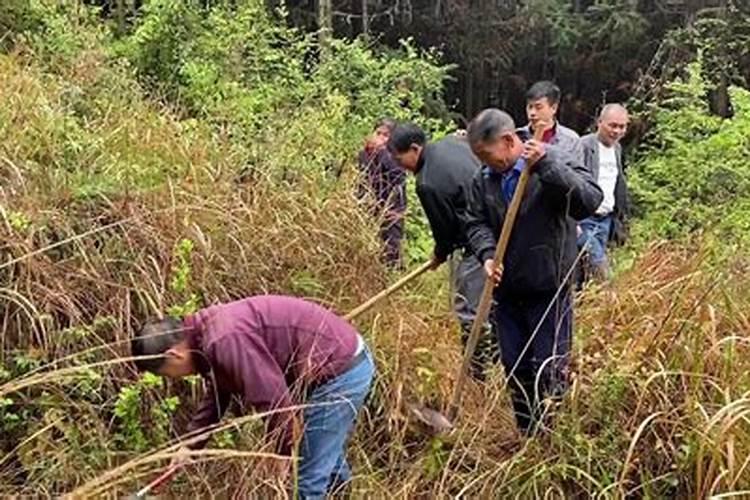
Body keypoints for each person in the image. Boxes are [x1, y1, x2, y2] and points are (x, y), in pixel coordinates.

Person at [131, 295, 375, 499]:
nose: (176, 378)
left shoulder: (224, 339)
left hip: (340, 370)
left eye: (167, 374)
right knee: (321, 456)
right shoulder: (205, 336)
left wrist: (281, 452)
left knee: (307, 479)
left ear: (174, 355)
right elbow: (218, 393)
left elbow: (273, 399)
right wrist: (190, 446)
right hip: (330, 365)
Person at [464, 109, 602, 434]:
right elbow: (475, 222)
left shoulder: (553, 159)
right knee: (515, 367)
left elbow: (589, 201)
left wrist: (547, 166)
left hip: (548, 287)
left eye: (487, 155)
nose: (485, 163)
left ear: (508, 140)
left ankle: (554, 440)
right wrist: (486, 255)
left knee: (550, 368)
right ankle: (528, 436)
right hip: (507, 290)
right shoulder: (483, 178)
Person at [387, 123, 497, 382]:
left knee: (469, 309)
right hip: (499, 227)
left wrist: (440, 252)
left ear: (415, 149)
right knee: (494, 301)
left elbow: (445, 230)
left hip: (475, 246)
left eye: (399, 158)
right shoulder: (452, 143)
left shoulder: (427, 183)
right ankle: (494, 361)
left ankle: (477, 374)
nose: (398, 165)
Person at [577, 104, 631, 281]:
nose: (617, 131)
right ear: (600, 123)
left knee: (587, 275)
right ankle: (612, 304)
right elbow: (573, 182)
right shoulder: (583, 146)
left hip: (606, 220)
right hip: (585, 219)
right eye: (612, 125)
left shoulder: (617, 149)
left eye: (621, 126)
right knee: (602, 273)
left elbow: (617, 183)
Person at [357, 118, 407, 268]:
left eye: (385, 135)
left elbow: (399, 180)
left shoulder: (394, 156)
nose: (380, 138)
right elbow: (361, 179)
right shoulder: (364, 153)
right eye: (378, 133)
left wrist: (383, 153)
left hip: (390, 209)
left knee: (391, 250)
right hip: (368, 206)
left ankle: (392, 277)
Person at [519, 81, 584, 164]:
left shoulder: (571, 140)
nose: (532, 113)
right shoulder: (518, 137)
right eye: (530, 107)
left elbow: (578, 174)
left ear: (554, 108)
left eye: (538, 107)